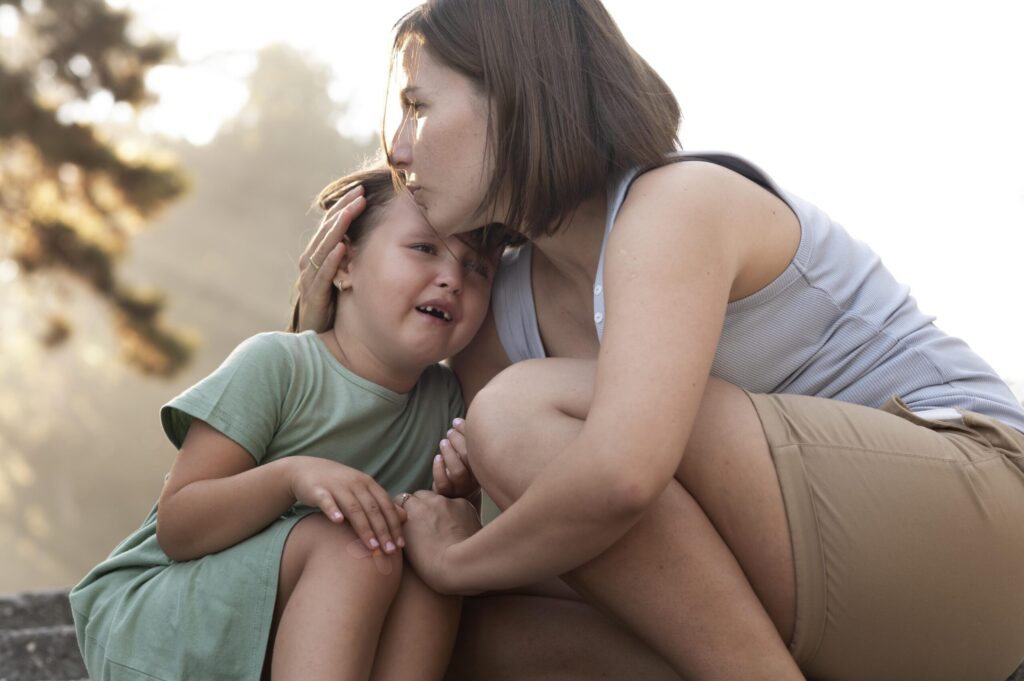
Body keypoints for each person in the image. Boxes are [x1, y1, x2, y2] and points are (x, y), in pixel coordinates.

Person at [296, 2, 1024, 681]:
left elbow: (619, 476)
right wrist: (329, 329)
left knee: (518, 419)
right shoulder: (502, 311)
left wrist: (459, 561)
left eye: (418, 106)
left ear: (517, 98)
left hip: (981, 513)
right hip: (835, 596)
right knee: (480, 635)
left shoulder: (676, 205)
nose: (396, 146)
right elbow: (522, 526)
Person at [69, 166, 507, 681]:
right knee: (356, 548)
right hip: (164, 618)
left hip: (306, 628)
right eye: (424, 248)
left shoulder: (447, 403)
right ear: (343, 266)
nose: (452, 278)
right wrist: (292, 476)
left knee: (428, 561)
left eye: (476, 266)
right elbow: (178, 527)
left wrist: (454, 496)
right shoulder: (278, 364)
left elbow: (450, 535)